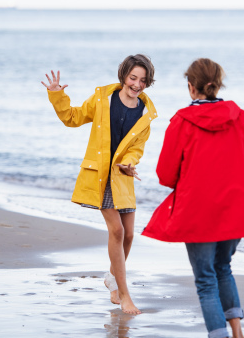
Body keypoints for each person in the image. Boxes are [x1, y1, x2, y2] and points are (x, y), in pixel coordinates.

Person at [143, 58, 244, 338]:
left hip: (197, 210)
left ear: (192, 88)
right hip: (236, 208)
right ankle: (237, 332)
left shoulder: (182, 121)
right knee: (223, 268)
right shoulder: (242, 118)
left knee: (205, 279)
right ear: (217, 85)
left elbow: (165, 175)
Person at [41, 54, 157, 315]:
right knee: (116, 231)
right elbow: (72, 118)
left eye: (142, 80)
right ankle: (125, 294)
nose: (137, 84)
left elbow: (137, 149)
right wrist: (57, 95)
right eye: (133, 78)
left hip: (123, 178)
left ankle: (112, 279)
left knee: (128, 235)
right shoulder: (103, 99)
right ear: (124, 76)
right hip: (101, 176)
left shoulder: (147, 113)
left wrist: (128, 162)